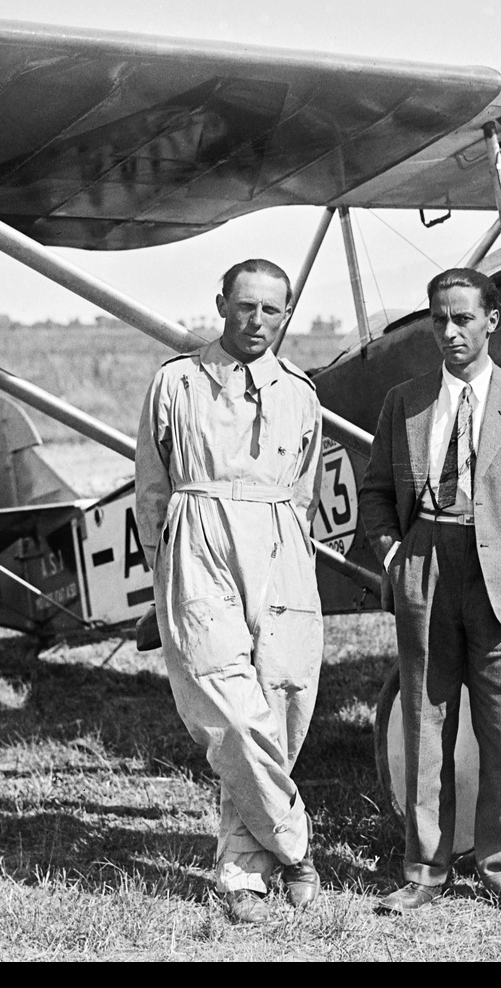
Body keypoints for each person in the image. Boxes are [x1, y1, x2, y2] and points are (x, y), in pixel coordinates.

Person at [359, 267, 501, 919]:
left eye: (463, 318)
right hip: (426, 571)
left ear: (491, 321)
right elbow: (373, 495)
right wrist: (396, 558)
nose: (449, 332)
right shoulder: (405, 402)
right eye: (439, 319)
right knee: (425, 726)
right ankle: (425, 870)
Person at [135, 258, 325, 924]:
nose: (258, 321)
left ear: (286, 313)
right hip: (197, 541)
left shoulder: (301, 391)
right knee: (232, 713)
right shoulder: (176, 382)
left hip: (278, 543)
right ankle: (296, 845)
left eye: (272, 310)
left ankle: (243, 874)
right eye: (246, 306)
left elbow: (302, 489)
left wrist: (289, 553)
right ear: (221, 304)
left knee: (280, 703)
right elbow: (151, 489)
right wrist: (168, 571)